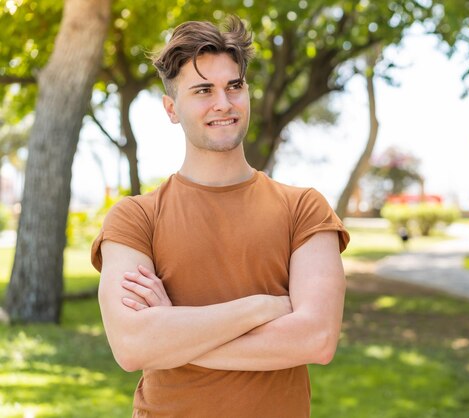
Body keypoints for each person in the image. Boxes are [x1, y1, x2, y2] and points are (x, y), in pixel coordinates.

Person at [90, 16, 349, 418]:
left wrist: (172, 333)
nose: (223, 103)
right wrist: (263, 307)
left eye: (234, 86)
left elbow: (316, 339)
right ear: (171, 109)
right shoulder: (134, 218)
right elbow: (132, 347)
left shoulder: (305, 209)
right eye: (203, 90)